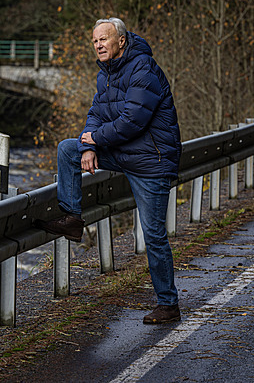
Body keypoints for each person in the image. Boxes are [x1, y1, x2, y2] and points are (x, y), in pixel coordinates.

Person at [34, 17, 182, 324]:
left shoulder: (143, 68)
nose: (99, 45)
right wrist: (88, 144)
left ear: (121, 41)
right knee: (68, 149)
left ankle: (168, 304)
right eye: (95, 41)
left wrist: (97, 139)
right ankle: (73, 218)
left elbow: (133, 121)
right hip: (123, 153)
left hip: (150, 162)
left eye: (104, 39)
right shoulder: (107, 74)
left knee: (154, 236)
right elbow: (96, 113)